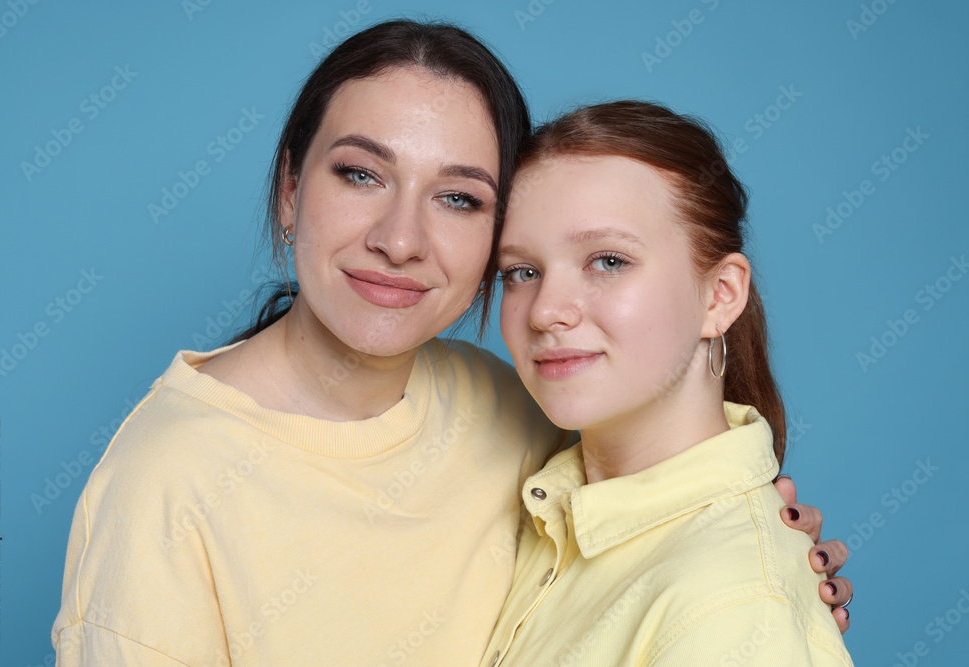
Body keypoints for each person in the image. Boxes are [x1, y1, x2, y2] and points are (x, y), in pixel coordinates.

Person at [52, 21, 850, 666]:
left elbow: (665, 522)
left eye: (459, 198)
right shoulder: (164, 485)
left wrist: (751, 557)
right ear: (292, 189)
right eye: (361, 174)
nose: (401, 239)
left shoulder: (507, 407)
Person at [483, 100, 854, 665]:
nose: (545, 311)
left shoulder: (732, 607)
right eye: (522, 272)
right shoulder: (534, 492)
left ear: (720, 294)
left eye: (607, 261)